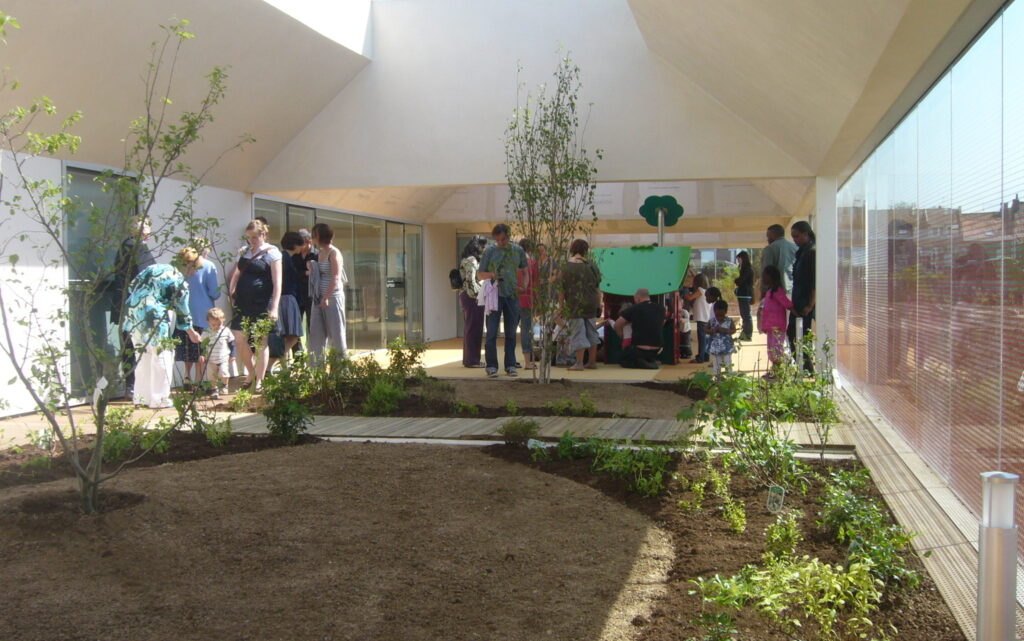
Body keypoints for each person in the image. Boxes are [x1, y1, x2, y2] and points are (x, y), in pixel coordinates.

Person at [121, 263, 199, 408]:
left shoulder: (155, 268)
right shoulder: (179, 280)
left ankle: (141, 397)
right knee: (162, 355)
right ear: (191, 267)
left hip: (134, 312)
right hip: (153, 316)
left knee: (142, 355)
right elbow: (183, 310)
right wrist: (191, 333)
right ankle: (159, 398)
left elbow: (132, 286)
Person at [228, 219, 282, 390]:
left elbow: (277, 282)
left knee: (261, 341)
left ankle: (259, 379)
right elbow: (236, 273)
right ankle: (250, 372)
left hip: (261, 302)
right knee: (239, 338)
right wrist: (232, 291)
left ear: (263, 235)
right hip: (243, 302)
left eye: (254, 237)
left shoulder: (272, 253)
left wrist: (274, 307)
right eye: (249, 237)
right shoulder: (244, 252)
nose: (251, 241)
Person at [112, 216, 156, 398]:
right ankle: (134, 386)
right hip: (134, 306)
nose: (149, 228)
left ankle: (134, 386)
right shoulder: (134, 246)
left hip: (130, 304)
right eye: (146, 224)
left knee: (131, 343)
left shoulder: (130, 245)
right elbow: (148, 274)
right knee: (134, 344)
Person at [477, 223, 528, 377]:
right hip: (494, 295)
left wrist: (524, 287)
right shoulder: (489, 251)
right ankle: (491, 365)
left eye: (503, 239)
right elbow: (480, 275)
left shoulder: (518, 250)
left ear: (509, 236)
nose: (501, 242)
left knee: (511, 333)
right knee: (491, 332)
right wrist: (492, 275)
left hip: (512, 295)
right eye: (498, 240)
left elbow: (526, 271)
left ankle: (510, 365)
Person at [174, 247, 220, 387]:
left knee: (187, 347)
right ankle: (199, 379)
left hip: (184, 311)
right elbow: (215, 293)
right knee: (201, 348)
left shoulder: (179, 266)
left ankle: (187, 376)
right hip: (203, 312)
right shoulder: (208, 266)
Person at [559, 238, 602, 372]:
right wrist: (599, 303)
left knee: (578, 333)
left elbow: (562, 289)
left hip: (575, 303)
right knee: (592, 332)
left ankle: (579, 363)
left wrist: (561, 307)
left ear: (572, 249)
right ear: (586, 251)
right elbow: (597, 287)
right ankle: (592, 361)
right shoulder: (592, 265)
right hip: (591, 302)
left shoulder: (566, 266)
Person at [308, 222, 348, 361]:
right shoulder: (319, 253)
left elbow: (336, 277)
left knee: (336, 334)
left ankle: (341, 370)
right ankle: (316, 369)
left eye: (314, 236)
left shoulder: (334, 253)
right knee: (316, 334)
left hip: (332, 298)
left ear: (320, 237)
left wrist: (326, 297)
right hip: (318, 298)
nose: (312, 239)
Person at [789, 221, 816, 372]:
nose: (795, 240)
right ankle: (805, 366)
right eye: (793, 237)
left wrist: (810, 304)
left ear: (806, 234)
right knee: (794, 334)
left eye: (797, 236)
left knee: (801, 335)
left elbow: (814, 282)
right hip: (798, 302)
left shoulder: (812, 252)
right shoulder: (803, 252)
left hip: (805, 303)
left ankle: (807, 368)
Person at [615, 288, 666, 369]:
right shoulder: (661, 308)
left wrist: (621, 335)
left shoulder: (634, 308)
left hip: (639, 349)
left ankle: (640, 362)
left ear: (638, 298)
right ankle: (649, 361)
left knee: (622, 359)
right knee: (648, 355)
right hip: (658, 349)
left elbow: (618, 324)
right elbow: (662, 323)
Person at [277, 232, 308, 360]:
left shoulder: (283, 257)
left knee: (287, 334)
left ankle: (282, 360)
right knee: (293, 334)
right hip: (288, 298)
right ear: (295, 245)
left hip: (284, 297)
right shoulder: (286, 258)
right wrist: (305, 273)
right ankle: (278, 355)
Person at [459, 235, 487, 368]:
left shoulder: (467, 259)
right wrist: (478, 295)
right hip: (472, 297)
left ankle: (469, 359)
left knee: (470, 328)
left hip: (468, 296)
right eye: (482, 245)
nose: (484, 248)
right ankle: (473, 360)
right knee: (474, 329)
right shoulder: (471, 260)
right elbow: (471, 282)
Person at [759, 265, 792, 371]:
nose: (763, 278)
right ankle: (775, 369)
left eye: (765, 276)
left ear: (771, 277)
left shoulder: (777, 291)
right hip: (770, 327)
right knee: (771, 349)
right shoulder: (770, 292)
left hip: (777, 327)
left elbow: (787, 304)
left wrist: (798, 312)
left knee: (776, 348)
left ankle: (779, 370)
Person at [199, 308, 232, 398]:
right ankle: (214, 390)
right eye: (214, 325)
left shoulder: (226, 330)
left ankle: (224, 386)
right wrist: (202, 355)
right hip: (210, 359)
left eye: (219, 324)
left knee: (224, 373)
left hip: (223, 358)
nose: (217, 326)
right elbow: (202, 345)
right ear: (208, 322)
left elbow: (231, 343)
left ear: (223, 320)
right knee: (211, 377)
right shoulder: (206, 333)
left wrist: (233, 355)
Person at [517, 238, 539, 370]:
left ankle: (511, 361)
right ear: (530, 249)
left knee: (511, 329)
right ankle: (527, 362)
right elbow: (535, 284)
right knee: (526, 329)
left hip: (513, 299)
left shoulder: (513, 264)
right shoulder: (532, 263)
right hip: (527, 299)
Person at [684, 273, 711, 363]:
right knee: (705, 339)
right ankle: (705, 356)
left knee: (702, 339)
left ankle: (700, 358)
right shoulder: (706, 291)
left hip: (701, 318)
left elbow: (689, 298)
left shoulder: (700, 290)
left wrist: (684, 290)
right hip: (706, 318)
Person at [707, 299, 737, 375]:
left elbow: (733, 330)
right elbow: (705, 330)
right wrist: (713, 330)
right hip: (715, 348)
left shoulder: (729, 320)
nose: (720, 317)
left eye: (722, 315)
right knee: (717, 365)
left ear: (726, 312)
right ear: (714, 312)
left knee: (728, 364)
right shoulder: (712, 321)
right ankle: (718, 380)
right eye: (717, 315)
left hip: (727, 347)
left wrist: (725, 330)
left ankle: (729, 379)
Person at [734, 250, 754, 340]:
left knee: (746, 315)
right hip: (743, 294)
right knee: (744, 315)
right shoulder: (745, 269)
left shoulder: (747, 269)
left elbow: (741, 281)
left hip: (745, 294)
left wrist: (736, 281)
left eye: (739, 259)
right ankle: (745, 333)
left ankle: (747, 334)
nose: (738, 261)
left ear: (743, 259)